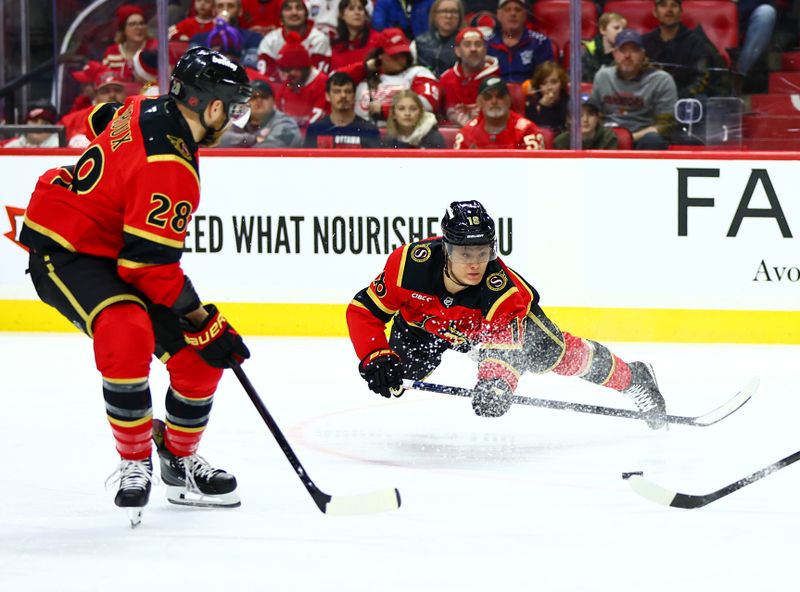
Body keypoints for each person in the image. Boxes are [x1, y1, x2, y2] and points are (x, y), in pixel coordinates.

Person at [18, 47, 253, 522]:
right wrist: (203, 318)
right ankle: (133, 460)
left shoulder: (149, 104)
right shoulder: (170, 169)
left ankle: (179, 462)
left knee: (199, 359)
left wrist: (202, 332)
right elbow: (147, 268)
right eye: (232, 108)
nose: (232, 119)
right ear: (211, 107)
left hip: (117, 246)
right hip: (67, 247)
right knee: (126, 329)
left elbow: (102, 118)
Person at [346, 200, 667, 428]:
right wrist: (375, 355)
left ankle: (633, 377)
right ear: (446, 250)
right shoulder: (407, 266)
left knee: (562, 356)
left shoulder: (503, 293)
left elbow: (503, 353)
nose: (475, 264)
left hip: (490, 333)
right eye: (465, 254)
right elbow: (363, 311)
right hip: (424, 327)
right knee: (399, 374)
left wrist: (496, 384)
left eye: (483, 252)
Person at [591, 28, 677, 150]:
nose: (627, 56)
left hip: (642, 140)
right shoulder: (602, 76)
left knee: (654, 140)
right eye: (622, 50)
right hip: (607, 138)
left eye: (634, 50)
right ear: (614, 54)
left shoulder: (661, 80)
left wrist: (629, 138)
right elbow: (592, 115)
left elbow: (667, 125)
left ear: (642, 54)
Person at [343, 28, 440, 124]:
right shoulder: (364, 74)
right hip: (361, 131)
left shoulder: (418, 73)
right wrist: (364, 67)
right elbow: (337, 80)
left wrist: (384, 109)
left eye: (403, 53)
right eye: (394, 55)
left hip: (404, 131)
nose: (400, 59)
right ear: (380, 55)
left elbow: (428, 103)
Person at [641, 0, 713, 99]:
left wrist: (674, 98)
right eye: (663, 5)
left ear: (681, 12)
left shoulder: (696, 43)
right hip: (650, 99)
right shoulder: (644, 42)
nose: (669, 10)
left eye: (674, 5)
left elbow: (702, 80)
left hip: (684, 100)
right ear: (655, 12)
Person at [453, 76, 545, 149]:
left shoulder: (527, 131)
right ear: (479, 102)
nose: (494, 101)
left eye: (500, 96)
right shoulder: (466, 134)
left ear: (509, 100)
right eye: (488, 97)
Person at [439, 26, 500, 126]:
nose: (473, 49)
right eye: (467, 45)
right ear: (458, 51)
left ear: (485, 50)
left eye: (478, 44)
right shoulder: (445, 79)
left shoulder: (496, 78)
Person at [304, 71, 383, 147]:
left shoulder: (369, 130)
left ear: (354, 96)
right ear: (327, 96)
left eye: (348, 91)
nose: (343, 95)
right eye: (337, 91)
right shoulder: (315, 130)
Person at [257, 0, 332, 79]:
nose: (294, 13)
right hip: (277, 86)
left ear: (306, 15)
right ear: (281, 17)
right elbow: (266, 78)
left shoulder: (319, 40)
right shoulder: (270, 41)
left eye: (299, 8)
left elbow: (317, 78)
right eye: (288, 9)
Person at [59, 69, 130, 148]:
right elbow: (51, 143)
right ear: (96, 95)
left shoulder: (137, 117)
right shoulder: (72, 120)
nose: (112, 95)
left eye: (117, 90)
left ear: (125, 93)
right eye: (105, 91)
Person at [219, 79, 302, 146]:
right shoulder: (237, 119)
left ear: (273, 101)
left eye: (264, 96)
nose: (259, 100)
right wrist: (253, 139)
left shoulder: (286, 123)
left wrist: (239, 145)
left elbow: (272, 148)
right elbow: (217, 139)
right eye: (253, 97)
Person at [486, 0, 554, 83]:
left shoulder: (540, 42)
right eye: (507, 9)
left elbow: (546, 79)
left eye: (518, 10)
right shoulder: (486, 44)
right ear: (499, 15)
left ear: (525, 15)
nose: (513, 14)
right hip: (495, 90)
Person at [272, 33, 330, 128]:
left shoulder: (321, 82)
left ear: (303, 67)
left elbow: (316, 121)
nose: (287, 76)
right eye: (285, 70)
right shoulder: (289, 82)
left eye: (290, 70)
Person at [102, 4, 159, 82]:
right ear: (123, 29)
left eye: (142, 23)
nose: (139, 28)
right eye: (132, 24)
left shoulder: (155, 47)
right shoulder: (112, 53)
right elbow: (105, 80)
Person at [411, 0, 464, 77]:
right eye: (444, 11)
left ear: (460, 16)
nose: (449, 16)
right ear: (435, 15)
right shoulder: (418, 43)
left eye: (454, 12)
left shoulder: (467, 42)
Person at [553, 95, 619, 149]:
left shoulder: (608, 139)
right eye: (579, 115)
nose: (585, 120)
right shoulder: (561, 142)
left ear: (597, 118)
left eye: (591, 114)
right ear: (569, 119)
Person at [331, 0, 381, 71]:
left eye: (360, 9)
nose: (357, 13)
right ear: (342, 15)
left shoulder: (377, 40)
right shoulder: (336, 45)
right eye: (351, 9)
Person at [523, 61, 569, 134]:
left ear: (561, 84)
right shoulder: (532, 105)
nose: (549, 87)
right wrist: (543, 106)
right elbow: (537, 132)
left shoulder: (569, 103)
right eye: (544, 83)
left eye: (554, 82)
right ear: (538, 86)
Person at [580, 12, 627, 83]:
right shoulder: (587, 50)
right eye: (616, 28)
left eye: (623, 29)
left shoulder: (625, 52)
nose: (621, 32)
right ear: (602, 30)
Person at [371, 0, 436, 39]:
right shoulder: (384, 2)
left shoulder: (429, 2)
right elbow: (378, 26)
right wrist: (396, 31)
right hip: (397, 44)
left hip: (426, 43)